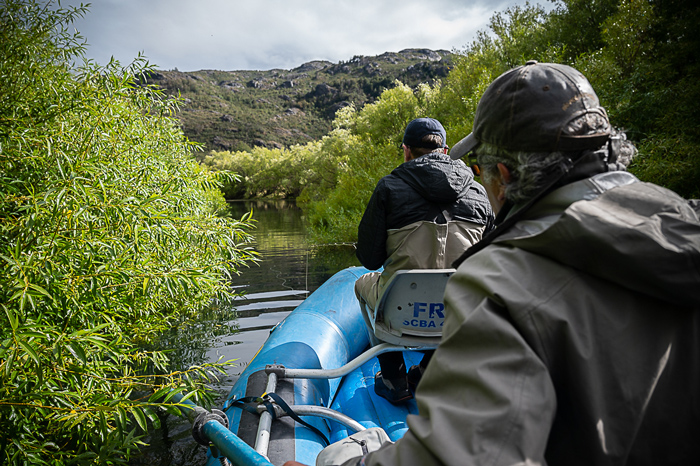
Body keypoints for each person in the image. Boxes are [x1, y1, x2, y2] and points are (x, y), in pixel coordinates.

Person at [285, 61, 700, 466]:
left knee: (363, 283)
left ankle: (392, 372)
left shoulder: (502, 285)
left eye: (481, 169)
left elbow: (468, 455)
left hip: (400, 305)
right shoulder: (689, 222)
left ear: (503, 174)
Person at [354, 117, 494, 403]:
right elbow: (493, 259)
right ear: (444, 151)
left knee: (361, 284)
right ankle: (429, 369)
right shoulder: (480, 192)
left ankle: (394, 379)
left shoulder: (388, 188)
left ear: (406, 151)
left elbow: (369, 260)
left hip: (402, 308)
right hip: (458, 312)